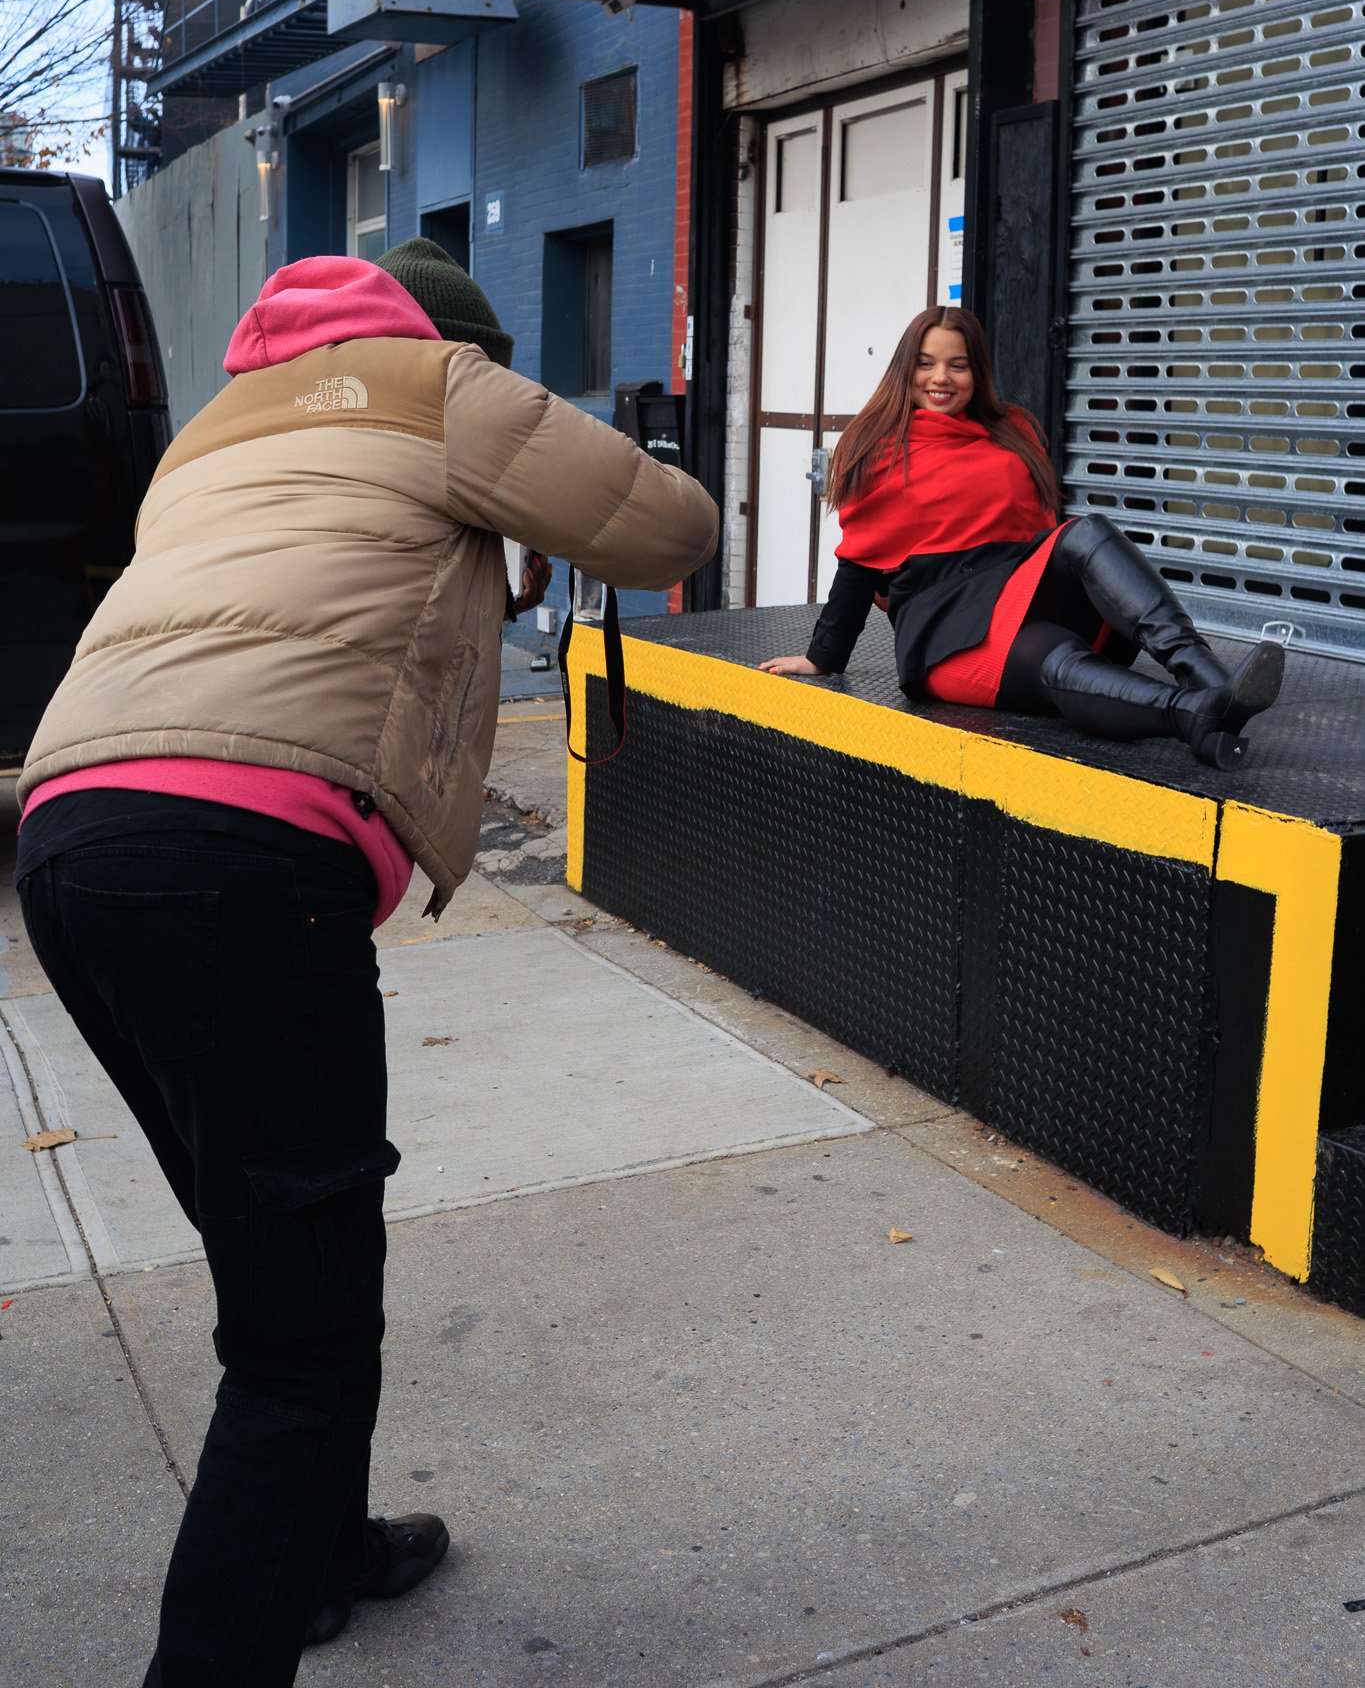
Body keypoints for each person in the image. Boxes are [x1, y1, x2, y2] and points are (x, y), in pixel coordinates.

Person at [15, 239, 718, 1688]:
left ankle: (322, 1547)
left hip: (72, 843)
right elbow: (669, 529)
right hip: (242, 862)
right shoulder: (441, 386)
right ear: (455, 338)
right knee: (300, 1344)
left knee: (274, 1248)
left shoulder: (211, 433)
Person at [759, 305, 1283, 769]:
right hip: (944, 619)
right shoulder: (873, 445)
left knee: (1087, 532)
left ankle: (1209, 678)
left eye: (957, 365)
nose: (941, 377)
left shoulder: (1013, 429)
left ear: (976, 371)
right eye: (926, 363)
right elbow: (858, 561)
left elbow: (1046, 530)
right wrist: (822, 656)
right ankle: (1194, 715)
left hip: (1020, 580)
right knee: (1057, 659)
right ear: (906, 369)